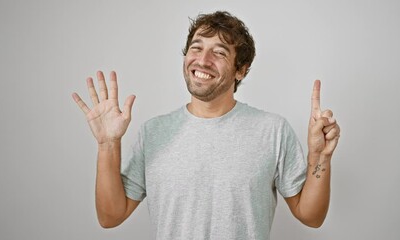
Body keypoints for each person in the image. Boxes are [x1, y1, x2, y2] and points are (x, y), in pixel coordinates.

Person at [72, 11, 340, 240]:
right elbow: (110, 216)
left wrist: (320, 157)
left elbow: (311, 216)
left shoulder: (273, 131)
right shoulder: (152, 133)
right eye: (196, 48)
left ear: (241, 70)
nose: (202, 60)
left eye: (219, 52)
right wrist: (108, 145)